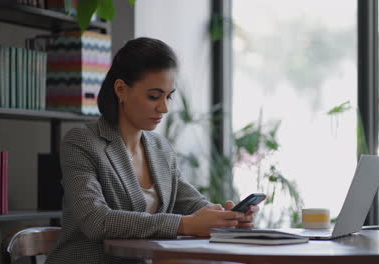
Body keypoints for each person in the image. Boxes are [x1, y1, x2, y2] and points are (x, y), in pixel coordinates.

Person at [46, 37, 258, 264]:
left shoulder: (160, 148)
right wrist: (185, 224)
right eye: (154, 96)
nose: (164, 108)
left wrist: (227, 218)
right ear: (121, 90)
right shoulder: (82, 142)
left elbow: (192, 204)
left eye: (169, 96)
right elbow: (97, 221)